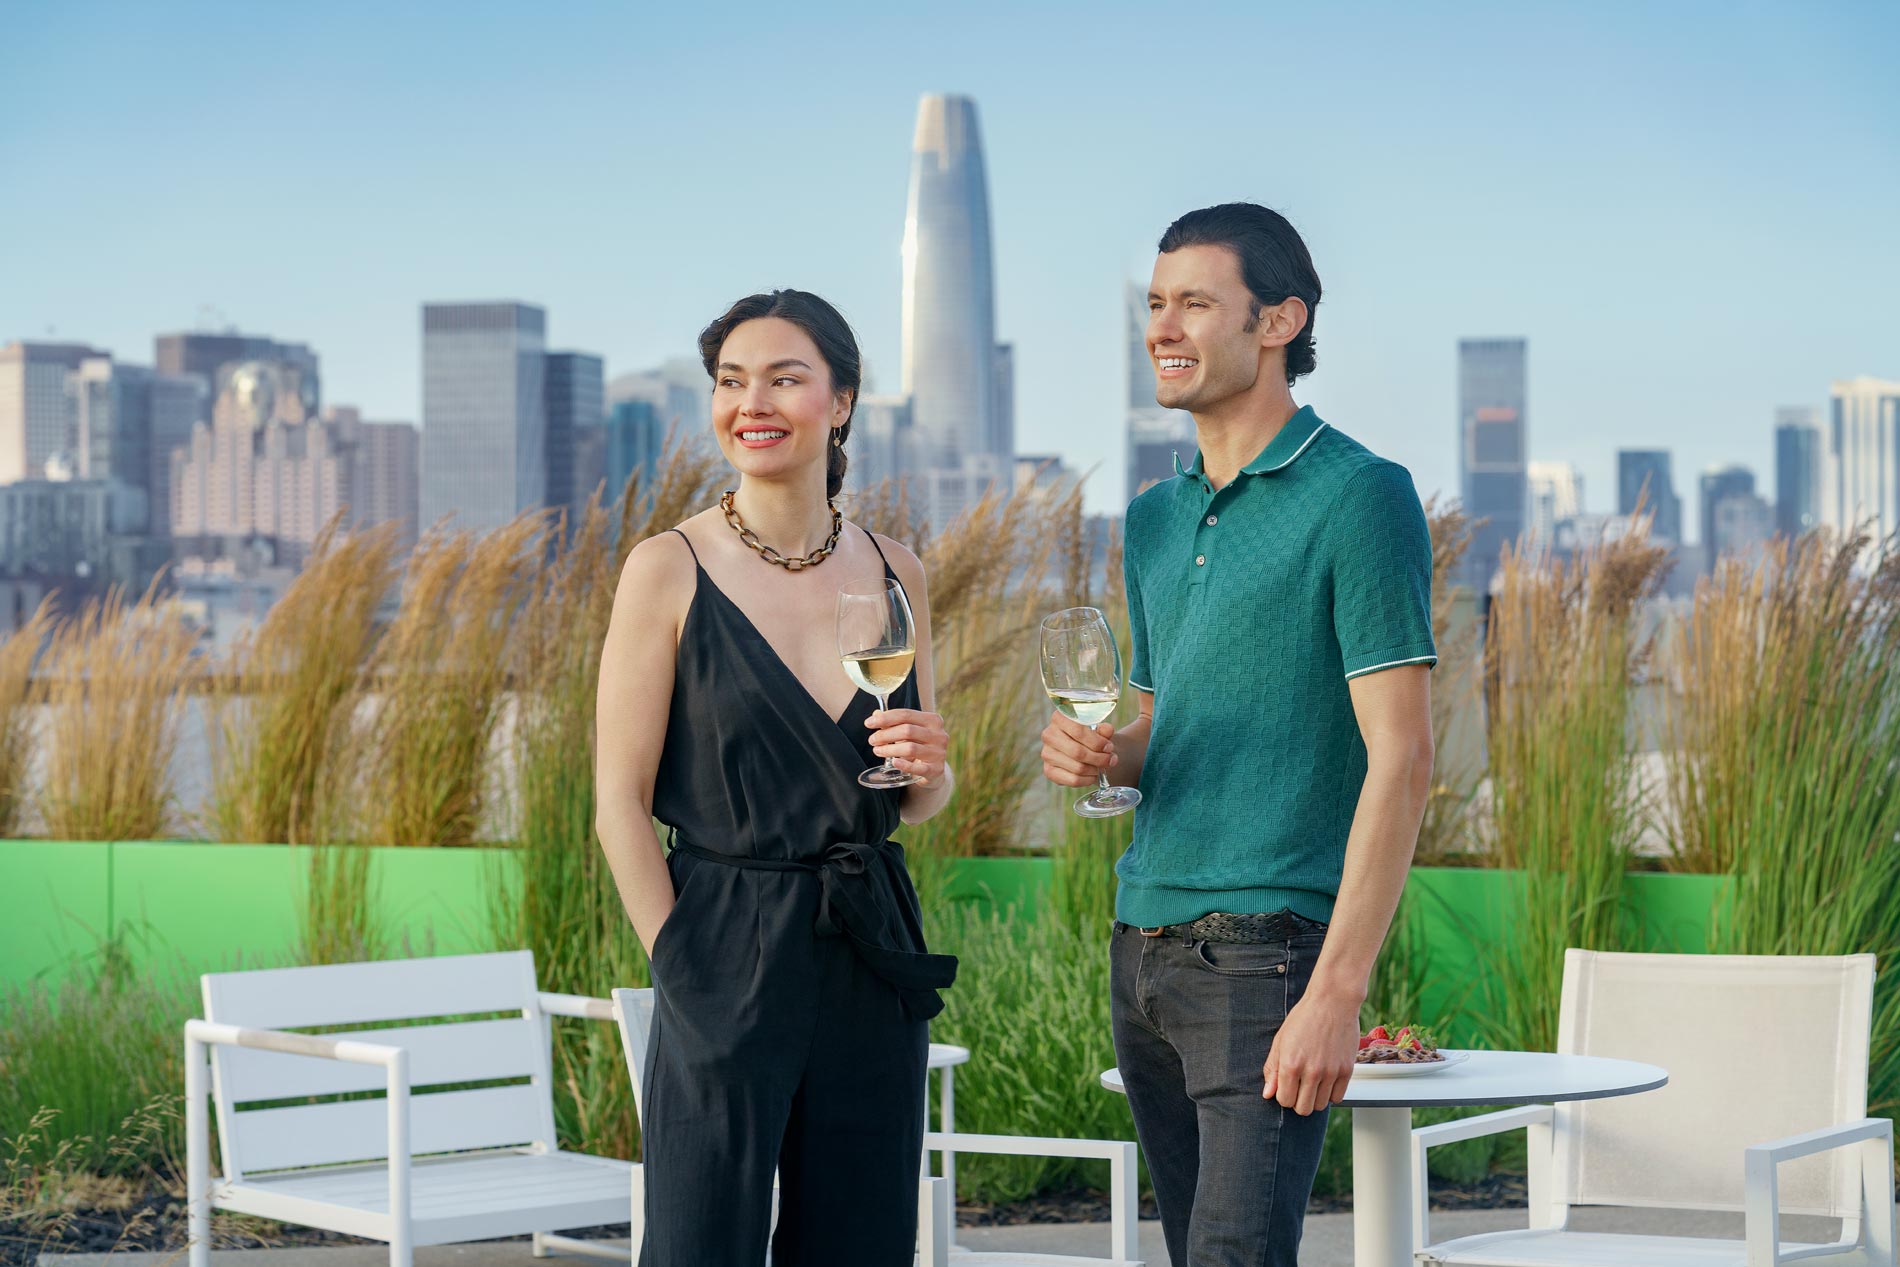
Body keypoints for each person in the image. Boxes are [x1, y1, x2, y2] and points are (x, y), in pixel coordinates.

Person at [1041, 203, 1436, 1267]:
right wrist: (1101, 753)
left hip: (1265, 959)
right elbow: (1162, 725)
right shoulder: (1155, 517)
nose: (1163, 328)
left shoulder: (1360, 495)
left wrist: (1335, 994)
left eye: (1195, 304)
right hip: (1140, 950)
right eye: (1155, 305)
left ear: (1277, 321)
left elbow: (1402, 758)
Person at [594, 289, 957, 1266]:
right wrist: (680, 958)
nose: (750, 402)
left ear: (840, 402)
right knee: (699, 1242)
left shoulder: (895, 569)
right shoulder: (665, 569)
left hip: (868, 947)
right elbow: (617, 803)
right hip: (722, 938)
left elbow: (915, 791)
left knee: (860, 1239)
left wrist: (931, 769)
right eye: (730, 380)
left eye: (784, 378)